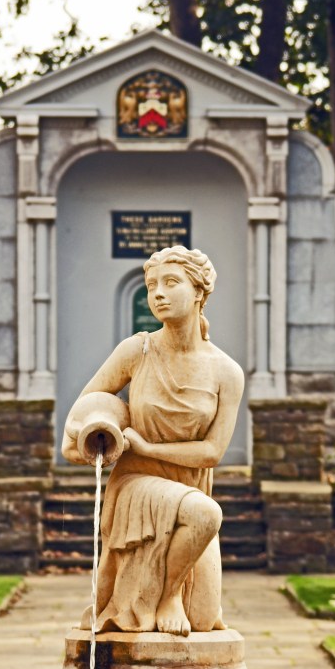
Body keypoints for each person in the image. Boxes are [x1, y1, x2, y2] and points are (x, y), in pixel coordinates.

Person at [61, 245, 244, 636]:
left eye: (170, 283)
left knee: (203, 620)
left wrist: (148, 446)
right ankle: (168, 595)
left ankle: (175, 592)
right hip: (135, 485)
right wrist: (95, 434)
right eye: (151, 285)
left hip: (188, 484)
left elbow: (212, 452)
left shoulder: (226, 372)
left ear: (199, 293)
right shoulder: (137, 351)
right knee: (206, 515)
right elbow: (86, 408)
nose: (157, 293)